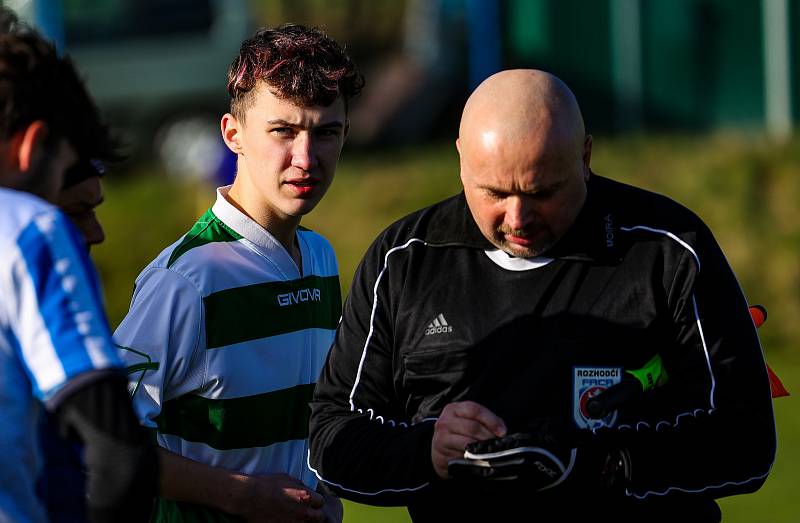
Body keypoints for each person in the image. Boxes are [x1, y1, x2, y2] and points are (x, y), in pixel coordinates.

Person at [308, 69, 777, 521]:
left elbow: (747, 440)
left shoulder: (668, 249)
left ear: (586, 157)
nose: (517, 218)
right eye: (494, 192)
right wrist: (429, 452)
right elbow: (332, 439)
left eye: (542, 192)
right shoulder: (404, 259)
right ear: (459, 159)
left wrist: (604, 465)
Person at [114, 24, 363, 522]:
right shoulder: (186, 281)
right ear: (233, 134)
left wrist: (322, 489)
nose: (305, 158)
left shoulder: (320, 258)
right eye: (283, 130)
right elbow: (104, 442)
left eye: (326, 132)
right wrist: (237, 495)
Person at [0, 8, 157, 523]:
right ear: (35, 144)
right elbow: (117, 456)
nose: (92, 232)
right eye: (66, 172)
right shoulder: (27, 228)